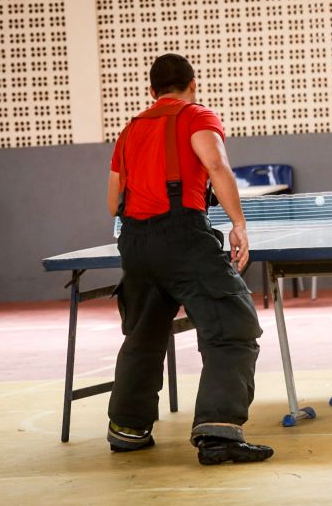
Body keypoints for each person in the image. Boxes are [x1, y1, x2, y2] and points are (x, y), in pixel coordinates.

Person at [105, 53, 273, 465]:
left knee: (143, 336)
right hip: (183, 237)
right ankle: (218, 433)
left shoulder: (129, 130)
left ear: (151, 91)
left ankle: (127, 429)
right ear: (192, 84)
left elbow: (113, 203)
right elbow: (216, 163)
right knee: (231, 327)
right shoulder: (196, 116)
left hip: (135, 243)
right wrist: (238, 224)